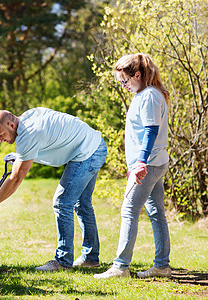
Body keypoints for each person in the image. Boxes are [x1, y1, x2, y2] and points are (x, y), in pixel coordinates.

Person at [0, 107, 107, 271]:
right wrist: (21, 157)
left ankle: (63, 261)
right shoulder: (28, 116)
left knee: (62, 203)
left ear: (11, 125)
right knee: (82, 204)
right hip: (95, 144)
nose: (1, 140)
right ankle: (90, 258)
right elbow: (48, 137)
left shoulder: (28, 135)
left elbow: (16, 178)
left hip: (87, 152)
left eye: (1, 135)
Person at [94, 53, 171, 279]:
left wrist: (140, 162)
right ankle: (161, 266)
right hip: (154, 163)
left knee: (128, 211)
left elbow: (150, 130)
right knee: (156, 213)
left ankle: (120, 266)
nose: (123, 85)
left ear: (137, 75)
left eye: (124, 81)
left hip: (148, 164)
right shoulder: (145, 94)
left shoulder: (149, 96)